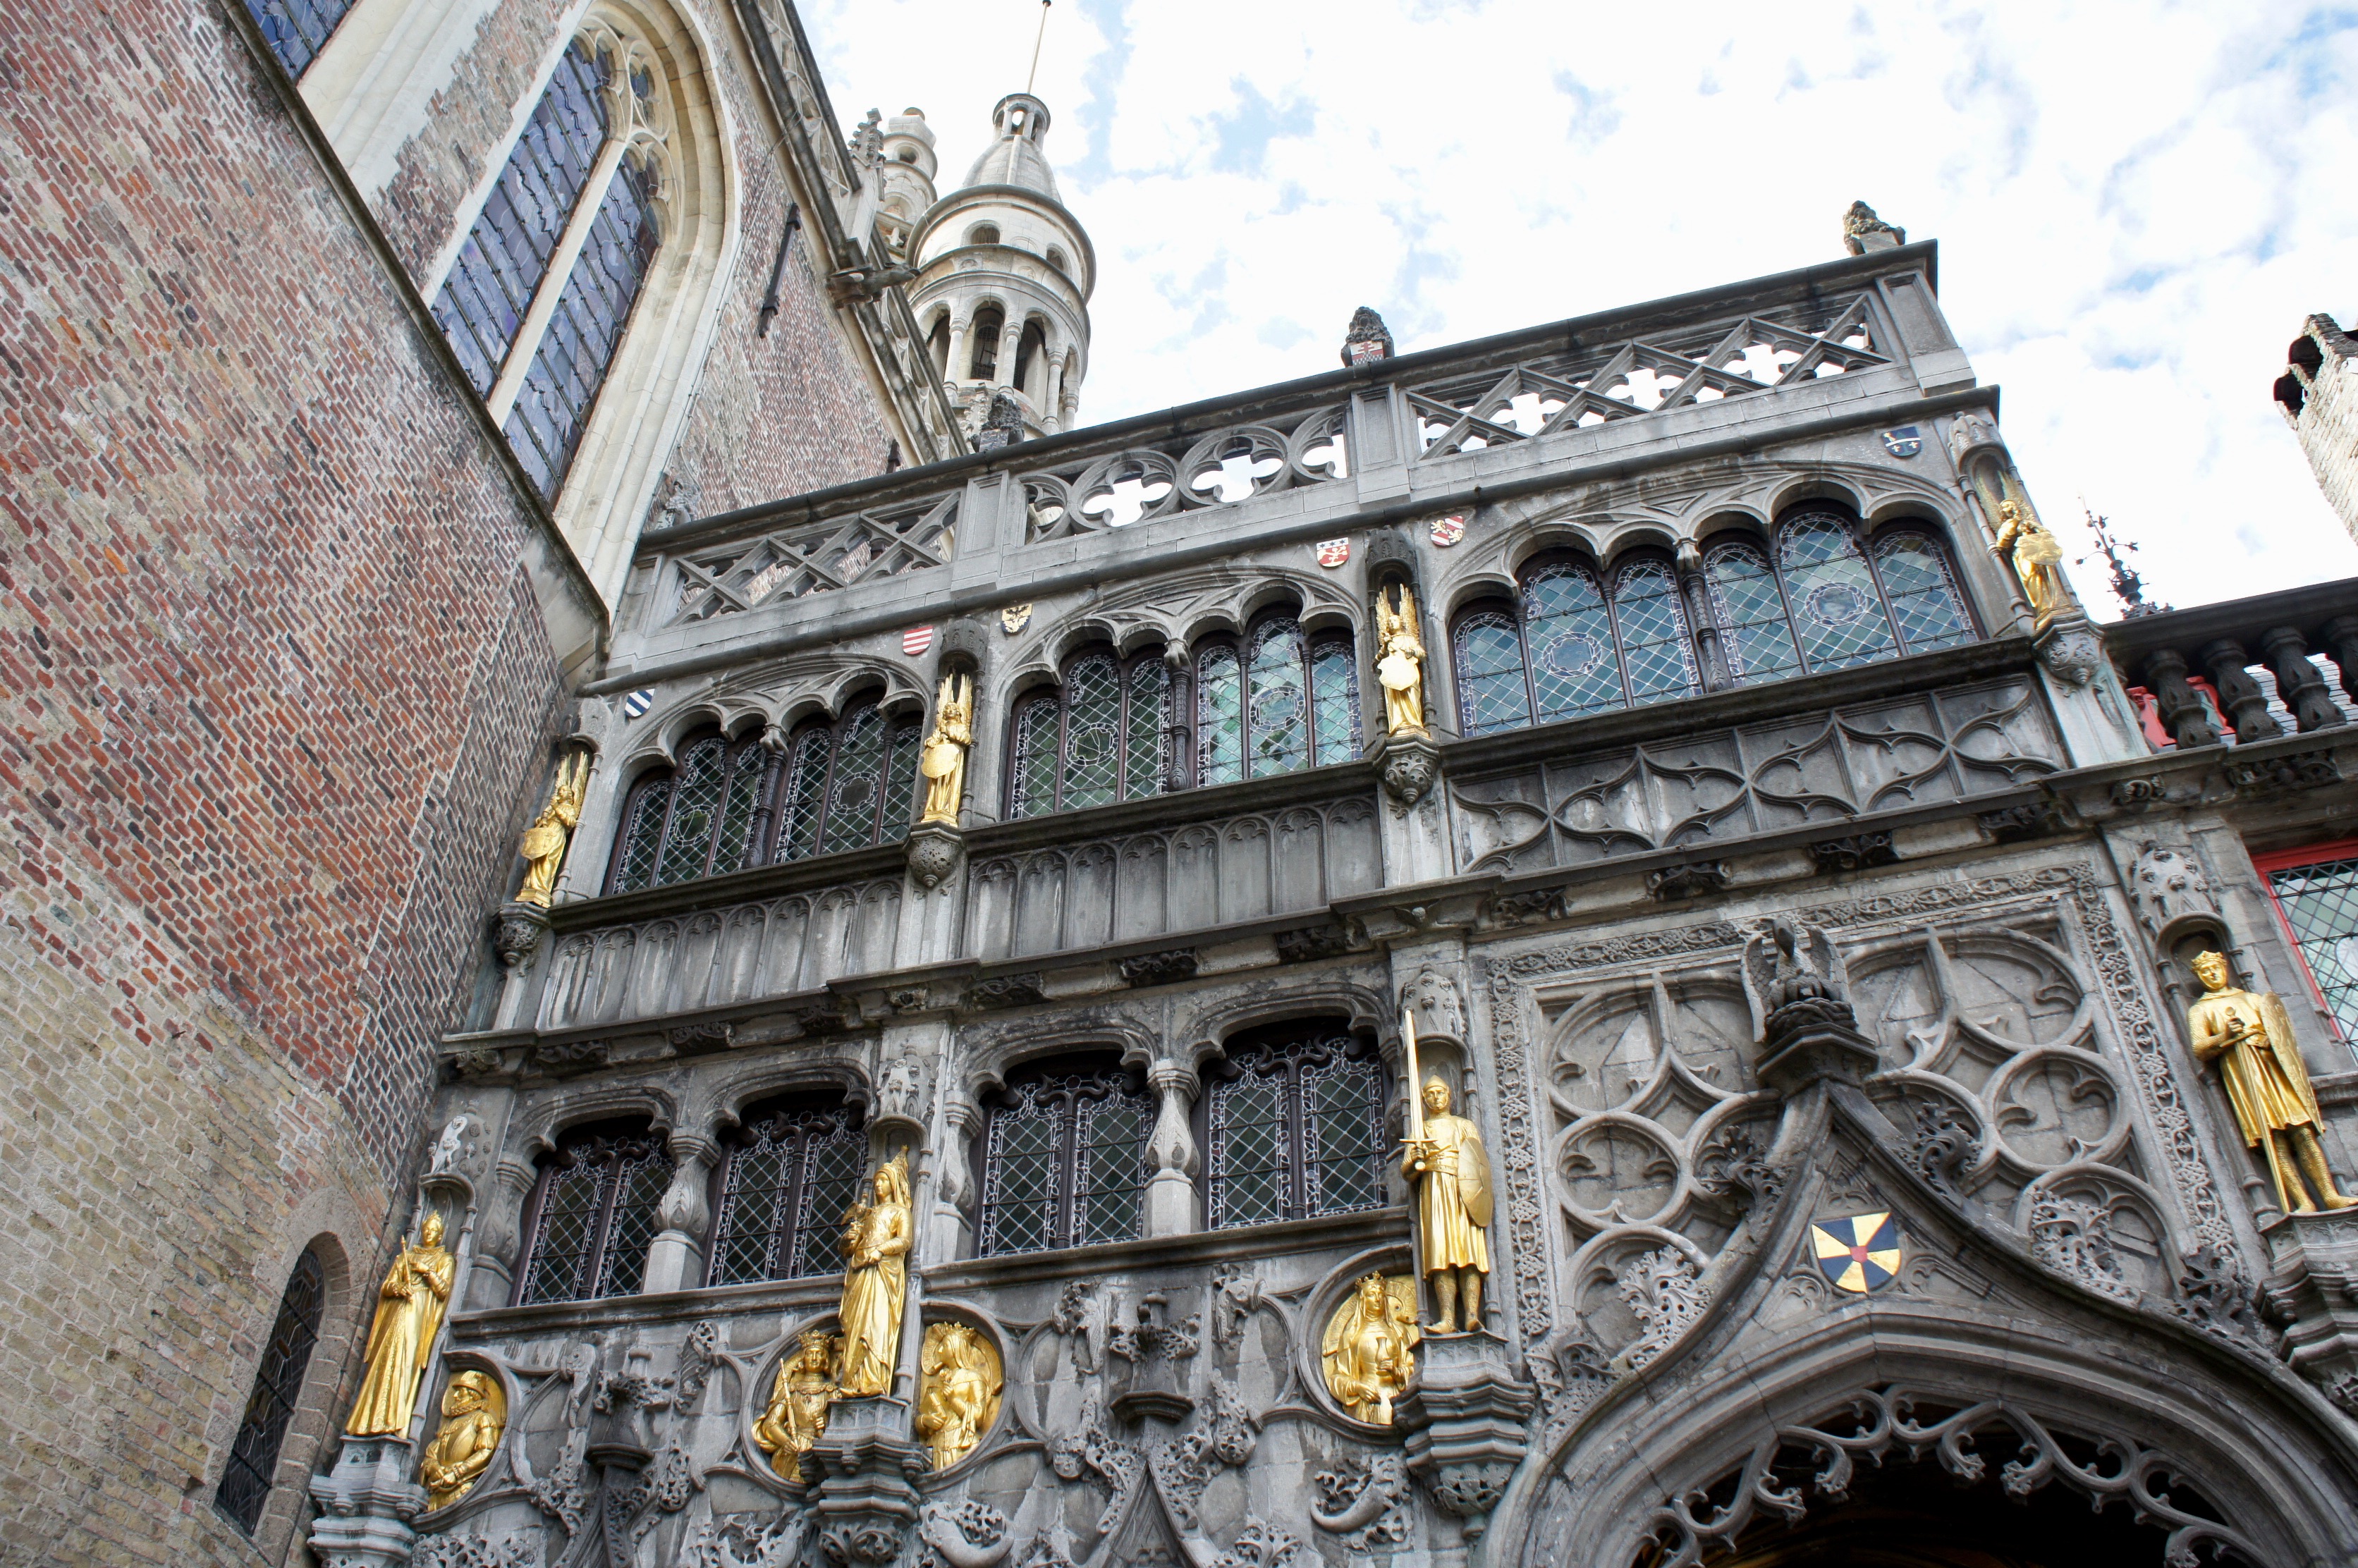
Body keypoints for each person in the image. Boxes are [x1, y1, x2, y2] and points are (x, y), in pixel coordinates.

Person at [2186, 950, 2355, 1214]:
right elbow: (2200, 1048)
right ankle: (2303, 1202)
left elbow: (2279, 1031)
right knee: (2272, 1138)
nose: (2212, 974)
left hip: (2273, 1070)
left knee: (2302, 1131)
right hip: (2243, 1075)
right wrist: (2225, 1035)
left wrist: (2269, 1040)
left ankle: (2330, 1195)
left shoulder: (2251, 999)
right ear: (2199, 975)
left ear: (2225, 967)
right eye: (2205, 971)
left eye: (2215, 968)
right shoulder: (2200, 1010)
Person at [345, 1211, 456, 1435]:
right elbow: (387, 1286)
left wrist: (428, 1273)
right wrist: (398, 1288)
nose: (429, 1234)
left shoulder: (445, 1260)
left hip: (420, 1312)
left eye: (434, 1231)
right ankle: (368, 1419)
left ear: (441, 1235)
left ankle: (398, 1419)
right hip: (398, 1310)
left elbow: (443, 1291)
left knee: (407, 1361)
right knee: (386, 1357)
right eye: (426, 1230)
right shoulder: (405, 1257)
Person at [1401, 1077, 1492, 1333]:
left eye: (1440, 1092)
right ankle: (1447, 1319)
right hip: (1434, 1191)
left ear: (1449, 1095)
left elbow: (1479, 1161)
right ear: (1423, 1099)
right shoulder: (1420, 1130)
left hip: (1463, 1191)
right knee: (1441, 1255)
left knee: (1468, 1253)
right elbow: (1407, 1172)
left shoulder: (1464, 1125)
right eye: (1429, 1094)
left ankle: (1472, 1315)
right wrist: (1416, 1161)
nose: (1435, 1098)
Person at [835, 1153, 912, 1397]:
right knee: (856, 1325)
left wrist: (881, 1249)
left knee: (876, 1323)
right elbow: (848, 1250)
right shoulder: (866, 1215)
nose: (878, 1185)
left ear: (893, 1184)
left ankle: (873, 1378)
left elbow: (905, 1240)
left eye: (883, 1181)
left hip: (883, 1273)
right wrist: (849, 1240)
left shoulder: (900, 1211)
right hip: (860, 1272)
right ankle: (851, 1379)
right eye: (876, 1181)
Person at [1321, 1273, 1418, 1423]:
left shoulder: (1399, 1332)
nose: (1378, 1299)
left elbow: (1414, 1367)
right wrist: (1358, 1387)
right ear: (1363, 1300)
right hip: (1367, 1398)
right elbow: (1337, 1378)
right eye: (1372, 1295)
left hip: (1394, 1396)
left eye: (1380, 1294)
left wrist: (1396, 1371)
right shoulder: (1351, 1336)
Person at [420, 1370, 503, 1509]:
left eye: (461, 1391)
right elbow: (432, 1451)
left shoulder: (482, 1419)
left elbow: (485, 1451)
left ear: (473, 1395)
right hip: (436, 1491)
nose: (456, 1396)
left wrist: (457, 1473)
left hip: (461, 1489)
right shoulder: (450, 1423)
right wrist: (433, 1468)